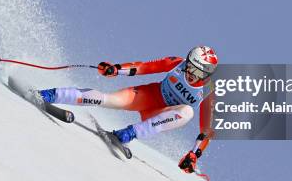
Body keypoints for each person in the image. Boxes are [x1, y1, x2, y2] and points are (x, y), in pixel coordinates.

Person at [34, 45, 218, 174]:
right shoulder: (176, 63)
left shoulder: (207, 92)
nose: (192, 75)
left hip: (162, 114)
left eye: (200, 73)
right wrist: (116, 69)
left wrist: (194, 154)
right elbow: (144, 67)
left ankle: (126, 134)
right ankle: (48, 95)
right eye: (190, 68)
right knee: (107, 100)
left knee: (188, 112)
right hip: (147, 97)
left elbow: (207, 131)